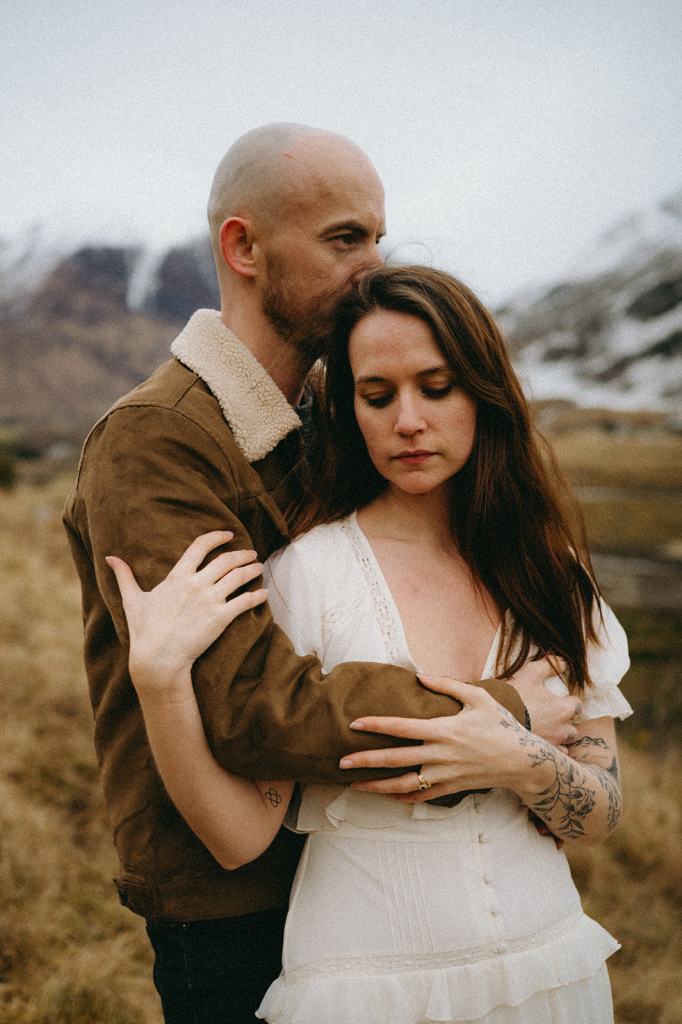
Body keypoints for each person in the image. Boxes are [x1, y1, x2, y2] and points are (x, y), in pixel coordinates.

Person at [63, 125, 579, 1023]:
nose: (373, 264)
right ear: (244, 248)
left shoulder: (324, 422)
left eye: (377, 236)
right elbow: (252, 705)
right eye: (346, 238)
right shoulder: (158, 440)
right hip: (232, 901)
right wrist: (502, 715)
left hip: (351, 880)